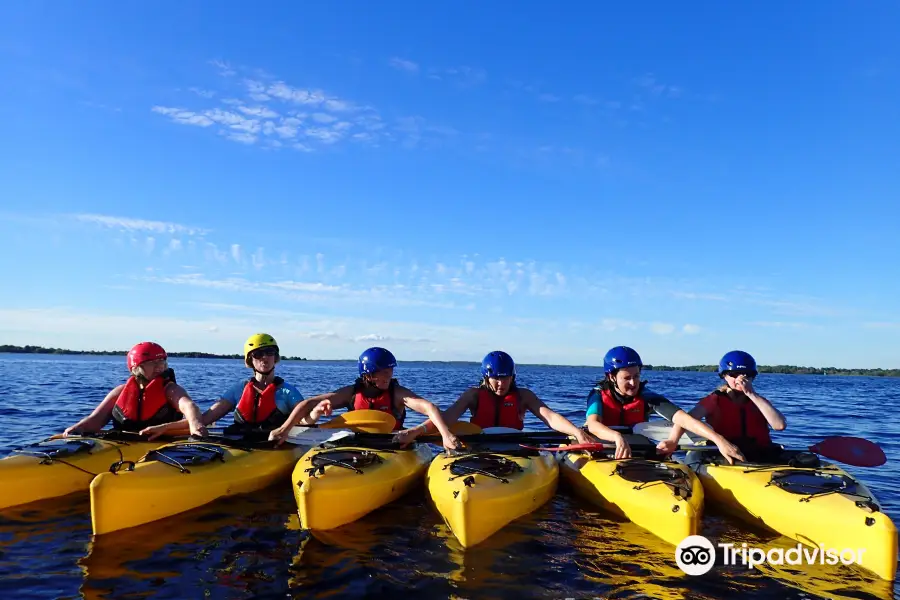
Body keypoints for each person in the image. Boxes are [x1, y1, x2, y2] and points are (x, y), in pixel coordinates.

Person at [268, 346, 461, 451]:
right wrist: (284, 429)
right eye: (383, 372)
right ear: (368, 375)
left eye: (390, 371)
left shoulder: (397, 393)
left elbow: (430, 408)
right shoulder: (351, 393)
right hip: (355, 444)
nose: (388, 376)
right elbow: (308, 403)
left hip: (392, 445)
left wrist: (444, 434)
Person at [584, 346, 746, 463]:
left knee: (705, 430)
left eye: (637, 376)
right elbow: (593, 424)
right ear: (611, 377)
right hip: (605, 443)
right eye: (627, 378)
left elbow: (684, 419)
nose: (633, 383)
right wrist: (616, 437)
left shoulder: (646, 395)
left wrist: (720, 441)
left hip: (635, 444)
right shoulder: (598, 394)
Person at [140, 333, 317, 440]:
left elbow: (303, 420)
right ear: (250, 359)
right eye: (258, 354)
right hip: (239, 444)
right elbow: (205, 419)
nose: (265, 358)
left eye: (270, 353)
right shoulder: (238, 389)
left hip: (270, 446)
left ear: (276, 357)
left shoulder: (287, 391)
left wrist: (315, 414)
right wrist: (165, 427)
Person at [412, 351, 594, 445]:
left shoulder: (524, 396)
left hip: (514, 446)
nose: (501, 383)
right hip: (480, 445)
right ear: (486, 378)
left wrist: (577, 432)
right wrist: (415, 431)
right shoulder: (473, 395)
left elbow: (551, 418)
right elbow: (447, 418)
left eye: (505, 377)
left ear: (512, 377)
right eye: (496, 378)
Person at [63, 342, 207, 438]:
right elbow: (95, 420)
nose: (159, 367)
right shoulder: (119, 392)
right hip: (123, 443)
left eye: (162, 362)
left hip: (162, 444)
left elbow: (189, 406)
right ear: (135, 368)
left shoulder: (170, 389)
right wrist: (77, 428)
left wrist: (195, 425)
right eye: (152, 363)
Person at [672, 350, 786, 462]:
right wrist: (673, 440)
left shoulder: (759, 402)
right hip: (725, 454)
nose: (740, 379)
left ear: (753, 377)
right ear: (725, 376)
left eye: (747, 375)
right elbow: (685, 420)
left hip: (759, 454)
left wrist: (751, 394)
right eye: (734, 374)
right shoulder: (715, 400)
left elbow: (779, 425)